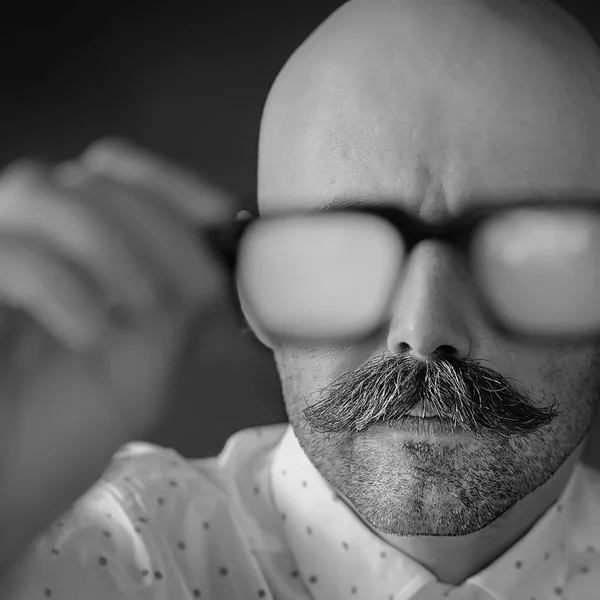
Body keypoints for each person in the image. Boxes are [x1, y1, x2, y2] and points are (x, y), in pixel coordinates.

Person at [1, 0, 600, 598]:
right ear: (255, 291)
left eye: (531, 255)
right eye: (338, 254)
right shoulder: (92, 556)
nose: (423, 330)